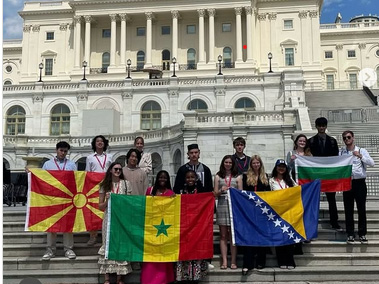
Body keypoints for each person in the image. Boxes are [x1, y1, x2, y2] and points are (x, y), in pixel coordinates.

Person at [41, 141, 77, 260]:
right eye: (61, 150)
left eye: (65, 151)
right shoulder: (47, 164)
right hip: (53, 199)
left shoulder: (71, 165)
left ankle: (68, 249)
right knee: (52, 224)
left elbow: (76, 181)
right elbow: (41, 179)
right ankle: (50, 250)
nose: (63, 153)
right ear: (56, 150)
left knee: (67, 224)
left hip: (67, 198)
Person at [98, 162, 132, 284]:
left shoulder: (126, 184)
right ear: (111, 171)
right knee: (107, 244)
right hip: (109, 218)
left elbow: (129, 203)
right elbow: (100, 207)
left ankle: (119, 277)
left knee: (120, 244)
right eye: (115, 169)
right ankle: (106, 278)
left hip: (122, 218)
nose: (118, 171)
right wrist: (107, 200)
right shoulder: (104, 185)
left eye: (119, 169)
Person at [339, 130, 375, 244]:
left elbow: (372, 163)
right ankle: (350, 233)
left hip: (359, 182)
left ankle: (362, 233)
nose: (347, 140)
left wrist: (360, 156)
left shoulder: (361, 150)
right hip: (347, 183)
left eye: (348, 137)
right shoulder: (341, 152)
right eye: (344, 138)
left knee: (361, 209)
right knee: (348, 209)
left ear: (353, 138)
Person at [141, 170, 175, 284]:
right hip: (151, 227)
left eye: (165, 178)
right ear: (157, 178)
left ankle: (164, 278)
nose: (162, 179)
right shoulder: (150, 191)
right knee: (151, 253)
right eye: (160, 177)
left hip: (166, 228)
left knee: (164, 253)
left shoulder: (171, 193)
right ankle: (149, 278)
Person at [309, 117, 342, 231]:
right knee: (314, 198)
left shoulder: (332, 141)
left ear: (326, 126)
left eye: (323, 125)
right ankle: (312, 221)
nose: (322, 127)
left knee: (331, 199)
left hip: (329, 174)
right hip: (316, 173)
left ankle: (334, 221)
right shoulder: (311, 141)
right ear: (316, 126)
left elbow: (336, 157)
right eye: (320, 125)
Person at [175, 170, 209, 282]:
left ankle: (196, 276)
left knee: (196, 251)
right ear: (185, 179)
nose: (190, 179)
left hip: (197, 227)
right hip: (184, 226)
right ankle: (184, 275)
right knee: (185, 251)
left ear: (196, 179)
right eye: (188, 177)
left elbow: (207, 200)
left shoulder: (201, 191)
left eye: (192, 177)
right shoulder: (180, 192)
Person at [241, 155, 271, 275]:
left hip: (262, 211)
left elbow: (269, 193)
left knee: (262, 236)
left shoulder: (265, 177)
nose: (256, 165)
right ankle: (247, 263)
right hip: (250, 211)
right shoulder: (245, 176)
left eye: (258, 163)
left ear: (261, 164)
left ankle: (261, 261)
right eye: (254, 163)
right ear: (251, 164)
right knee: (250, 237)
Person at [213, 155, 242, 270]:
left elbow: (241, 192)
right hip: (222, 204)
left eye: (230, 162)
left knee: (232, 235)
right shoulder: (218, 176)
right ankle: (224, 261)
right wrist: (221, 190)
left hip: (233, 205)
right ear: (223, 163)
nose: (228, 164)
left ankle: (233, 261)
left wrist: (234, 191)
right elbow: (214, 193)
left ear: (233, 164)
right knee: (223, 234)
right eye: (226, 162)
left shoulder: (238, 176)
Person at [85, 135, 113, 246]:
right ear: (94, 144)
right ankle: (93, 236)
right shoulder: (90, 157)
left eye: (102, 141)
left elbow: (112, 171)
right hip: (94, 187)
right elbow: (87, 173)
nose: (100, 143)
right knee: (93, 210)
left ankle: (107, 235)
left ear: (105, 143)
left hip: (107, 185)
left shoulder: (110, 157)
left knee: (107, 208)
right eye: (97, 141)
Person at [269, 159, 297, 270]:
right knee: (279, 237)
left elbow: (298, 191)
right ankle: (281, 260)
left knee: (289, 237)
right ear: (276, 168)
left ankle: (290, 260)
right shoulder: (271, 181)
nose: (281, 168)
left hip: (289, 213)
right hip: (277, 213)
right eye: (279, 166)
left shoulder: (290, 181)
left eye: (283, 167)